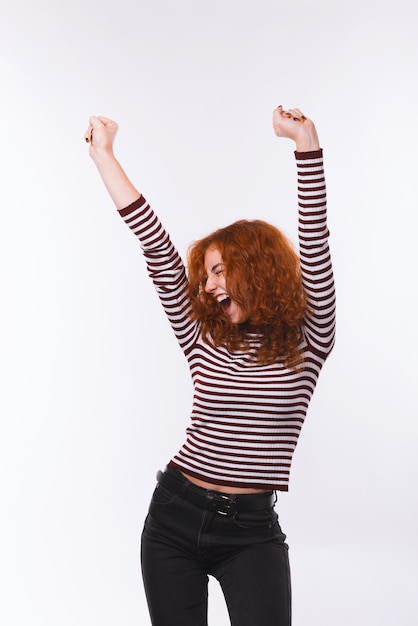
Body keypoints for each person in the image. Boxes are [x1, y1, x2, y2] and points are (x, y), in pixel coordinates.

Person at [85, 106, 336, 626]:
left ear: (257, 268)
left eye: (219, 271)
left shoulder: (308, 339)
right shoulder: (204, 337)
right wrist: (104, 155)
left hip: (252, 533)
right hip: (174, 517)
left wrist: (305, 143)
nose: (209, 286)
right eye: (205, 277)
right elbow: (156, 249)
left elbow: (315, 243)